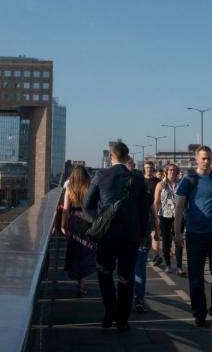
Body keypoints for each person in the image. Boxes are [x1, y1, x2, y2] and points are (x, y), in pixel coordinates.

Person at [83, 142, 150, 332]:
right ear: (128, 157)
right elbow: (144, 211)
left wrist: (98, 222)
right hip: (130, 236)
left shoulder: (101, 175)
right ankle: (122, 320)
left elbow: (87, 205)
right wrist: (142, 234)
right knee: (126, 276)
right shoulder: (138, 179)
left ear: (110, 157)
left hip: (107, 235)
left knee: (104, 273)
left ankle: (109, 312)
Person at [174, 145, 212, 327]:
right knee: (196, 277)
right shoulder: (189, 180)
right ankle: (199, 312)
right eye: (203, 158)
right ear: (196, 160)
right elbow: (179, 208)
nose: (206, 161)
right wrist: (178, 233)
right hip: (194, 235)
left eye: (208, 158)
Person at [62, 165, 97, 296]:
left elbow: (65, 210)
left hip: (74, 221)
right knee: (85, 250)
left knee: (75, 250)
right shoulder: (90, 188)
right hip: (86, 221)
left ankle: (79, 281)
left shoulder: (69, 189)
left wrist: (63, 226)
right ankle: (82, 282)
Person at [133, 159, 159, 312]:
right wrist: (156, 231)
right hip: (144, 235)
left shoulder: (127, 196)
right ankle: (139, 299)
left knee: (128, 268)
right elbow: (154, 215)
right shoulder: (147, 196)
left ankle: (129, 296)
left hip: (130, 236)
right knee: (140, 268)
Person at [153, 163, 186, 276]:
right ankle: (168, 265)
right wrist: (156, 217)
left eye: (174, 170)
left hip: (178, 217)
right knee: (166, 242)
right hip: (164, 216)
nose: (172, 172)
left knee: (179, 241)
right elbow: (156, 202)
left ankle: (179, 266)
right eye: (170, 170)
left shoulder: (180, 185)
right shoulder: (160, 185)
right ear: (166, 172)